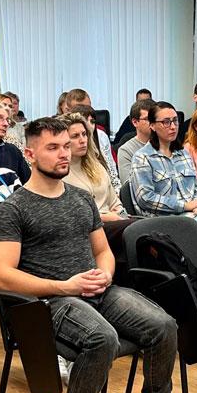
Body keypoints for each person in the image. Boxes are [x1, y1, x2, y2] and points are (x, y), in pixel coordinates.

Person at [0, 117, 181, 393]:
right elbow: (0, 276)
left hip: (94, 290)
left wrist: (104, 273)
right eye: (52, 147)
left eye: (66, 146)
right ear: (30, 154)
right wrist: (65, 286)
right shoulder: (14, 209)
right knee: (101, 339)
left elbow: (102, 251)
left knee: (164, 325)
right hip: (48, 302)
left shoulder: (80, 198)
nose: (64, 154)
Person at [62, 113, 134, 273]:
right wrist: (107, 217)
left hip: (116, 221)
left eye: (84, 134)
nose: (82, 140)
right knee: (134, 230)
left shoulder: (97, 166)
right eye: (75, 136)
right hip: (88, 228)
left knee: (150, 228)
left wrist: (119, 214)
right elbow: (72, 213)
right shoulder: (60, 173)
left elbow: (115, 201)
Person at [130, 101, 197, 217]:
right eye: (166, 122)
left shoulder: (183, 153)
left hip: (193, 214)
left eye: (175, 120)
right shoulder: (142, 157)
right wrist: (185, 206)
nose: (173, 127)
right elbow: (145, 198)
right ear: (152, 125)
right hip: (164, 219)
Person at [69, 104, 121, 192]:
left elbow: (113, 174)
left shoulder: (101, 136)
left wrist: (117, 193)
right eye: (85, 120)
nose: (90, 125)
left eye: (92, 121)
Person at [117, 99, 156, 183]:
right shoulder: (126, 150)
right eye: (148, 119)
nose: (153, 123)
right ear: (135, 122)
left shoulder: (166, 143)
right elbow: (129, 185)